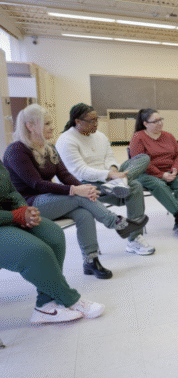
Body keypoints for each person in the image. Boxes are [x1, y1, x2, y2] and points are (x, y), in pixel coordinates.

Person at [3, 104, 148, 280]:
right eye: (46, 123)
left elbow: (64, 174)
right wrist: (75, 190)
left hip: (48, 199)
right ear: (30, 126)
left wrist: (84, 189)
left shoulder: (49, 147)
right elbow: (37, 184)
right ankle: (116, 222)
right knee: (78, 199)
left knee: (83, 213)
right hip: (28, 204)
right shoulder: (16, 150)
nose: (52, 127)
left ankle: (90, 261)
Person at [0, 160, 105, 324]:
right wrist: (14, 216)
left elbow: (11, 191)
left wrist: (23, 208)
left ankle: (45, 304)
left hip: (11, 215)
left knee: (54, 235)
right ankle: (70, 299)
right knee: (35, 251)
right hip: (7, 219)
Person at [56, 103, 155, 255]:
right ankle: (119, 187)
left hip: (108, 177)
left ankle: (118, 186)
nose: (96, 124)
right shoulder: (66, 140)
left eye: (97, 120)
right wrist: (109, 176)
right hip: (84, 183)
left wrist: (113, 170)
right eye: (91, 121)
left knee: (143, 158)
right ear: (78, 121)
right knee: (134, 185)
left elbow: (109, 157)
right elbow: (79, 171)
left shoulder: (100, 136)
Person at [130, 108, 178, 234]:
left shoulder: (168, 136)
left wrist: (175, 170)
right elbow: (140, 162)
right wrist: (161, 175)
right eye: (155, 121)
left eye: (160, 119)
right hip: (146, 173)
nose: (160, 123)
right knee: (159, 185)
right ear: (145, 123)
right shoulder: (138, 137)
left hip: (171, 171)